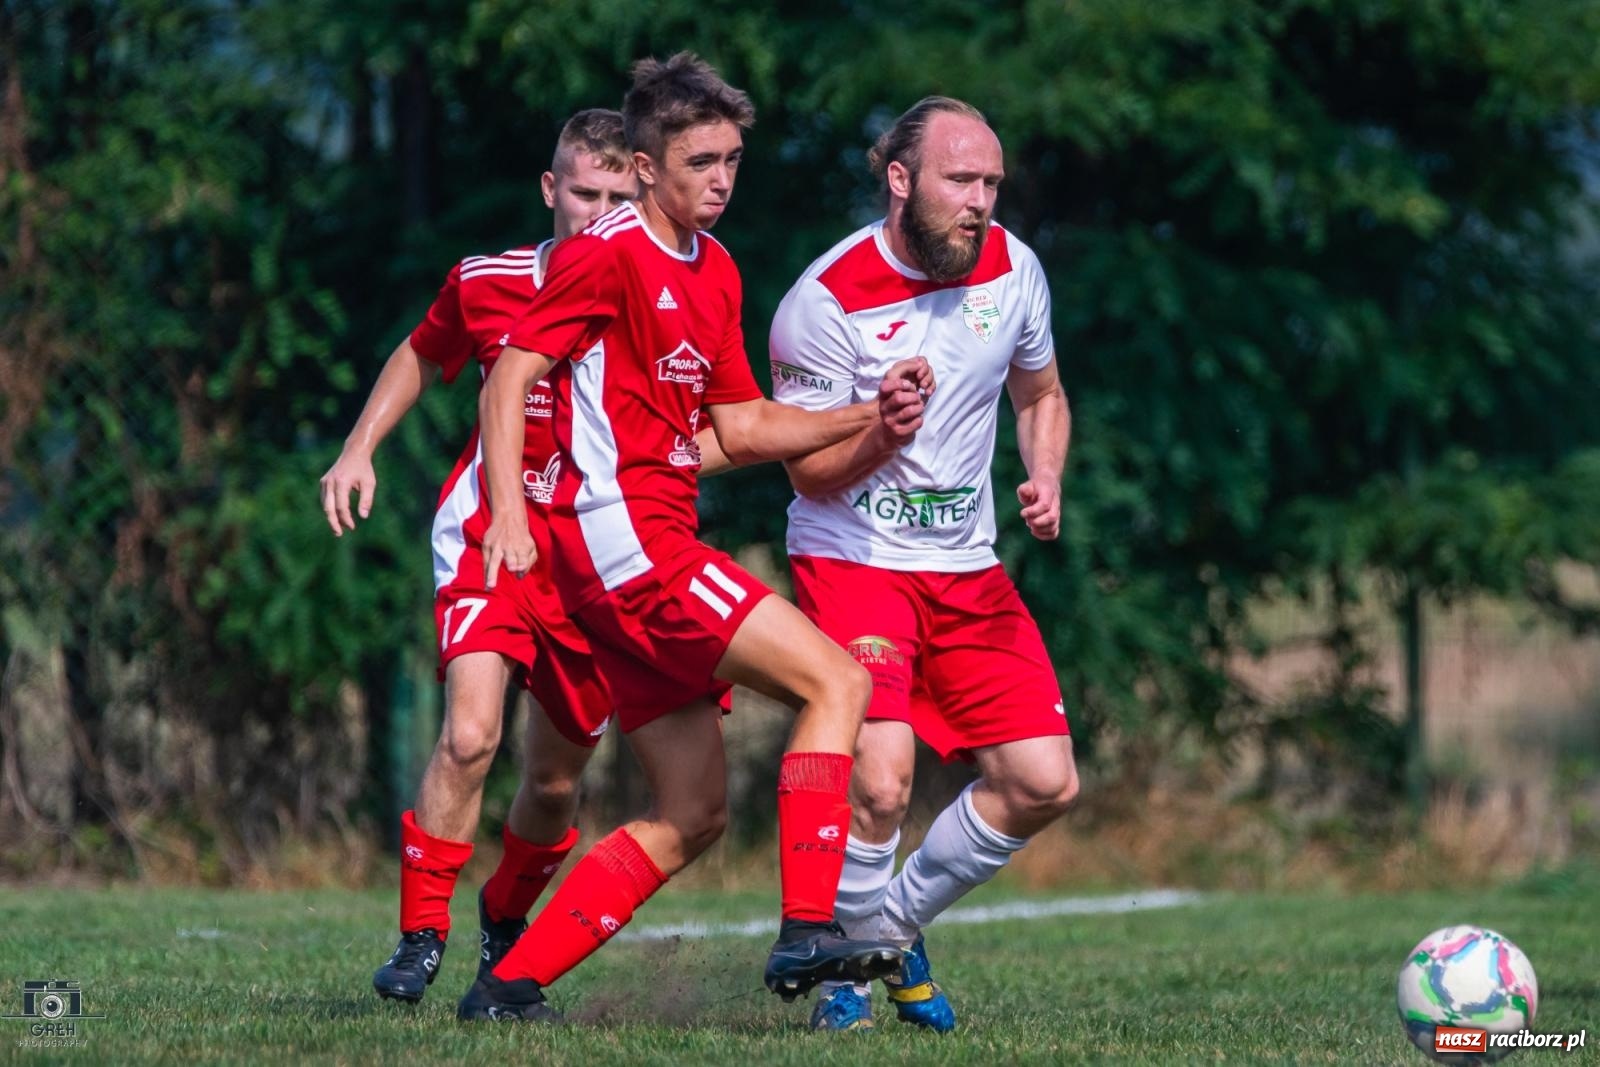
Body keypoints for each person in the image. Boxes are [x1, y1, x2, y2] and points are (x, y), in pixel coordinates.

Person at [458, 52, 935, 1022]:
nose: (721, 178)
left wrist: (864, 414)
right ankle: (813, 929)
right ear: (643, 167)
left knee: (691, 812)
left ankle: (505, 988)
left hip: (637, 550)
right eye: (699, 160)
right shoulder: (608, 251)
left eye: (731, 159)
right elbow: (509, 374)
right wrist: (508, 509)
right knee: (838, 681)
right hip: (627, 544)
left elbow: (745, 423)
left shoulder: (713, 268)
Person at [320, 109, 689, 1004]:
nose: (598, 212)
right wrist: (358, 447)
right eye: (583, 194)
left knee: (556, 781)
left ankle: (505, 912)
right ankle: (418, 936)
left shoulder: (648, 292)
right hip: (491, 539)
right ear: (550, 191)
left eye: (616, 196)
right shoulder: (490, 281)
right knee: (471, 732)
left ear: (637, 193)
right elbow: (421, 350)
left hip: (595, 559)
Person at [768, 96, 1079, 1032]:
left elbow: (1043, 392)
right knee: (883, 776)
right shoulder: (823, 302)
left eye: (991, 182)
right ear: (900, 180)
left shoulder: (1015, 267)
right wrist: (883, 433)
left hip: (967, 566)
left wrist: (1046, 473)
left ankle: (882, 933)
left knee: (1044, 781)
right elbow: (811, 474)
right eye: (961, 180)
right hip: (854, 555)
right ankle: (845, 981)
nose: (981, 201)